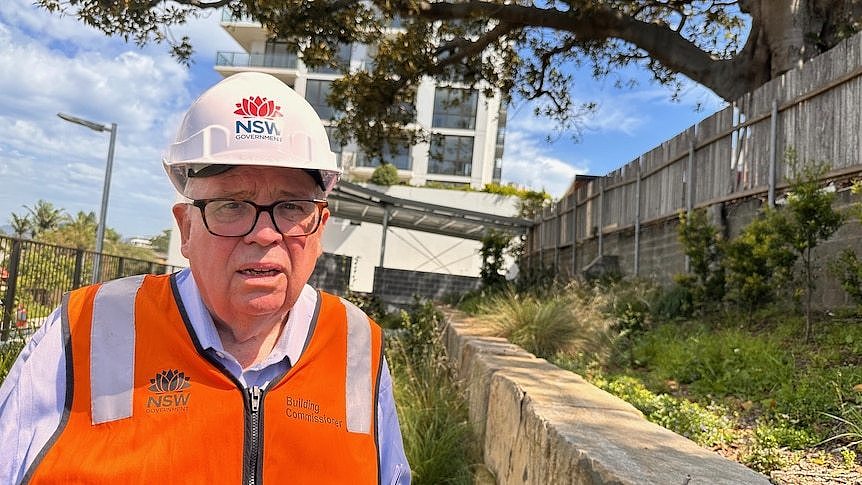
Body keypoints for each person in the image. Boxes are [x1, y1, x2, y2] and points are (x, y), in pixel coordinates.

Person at [0, 72, 411, 483]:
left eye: (291, 206)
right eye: (232, 205)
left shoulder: (356, 343)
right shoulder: (85, 327)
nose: (265, 233)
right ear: (186, 228)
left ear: (319, 228)